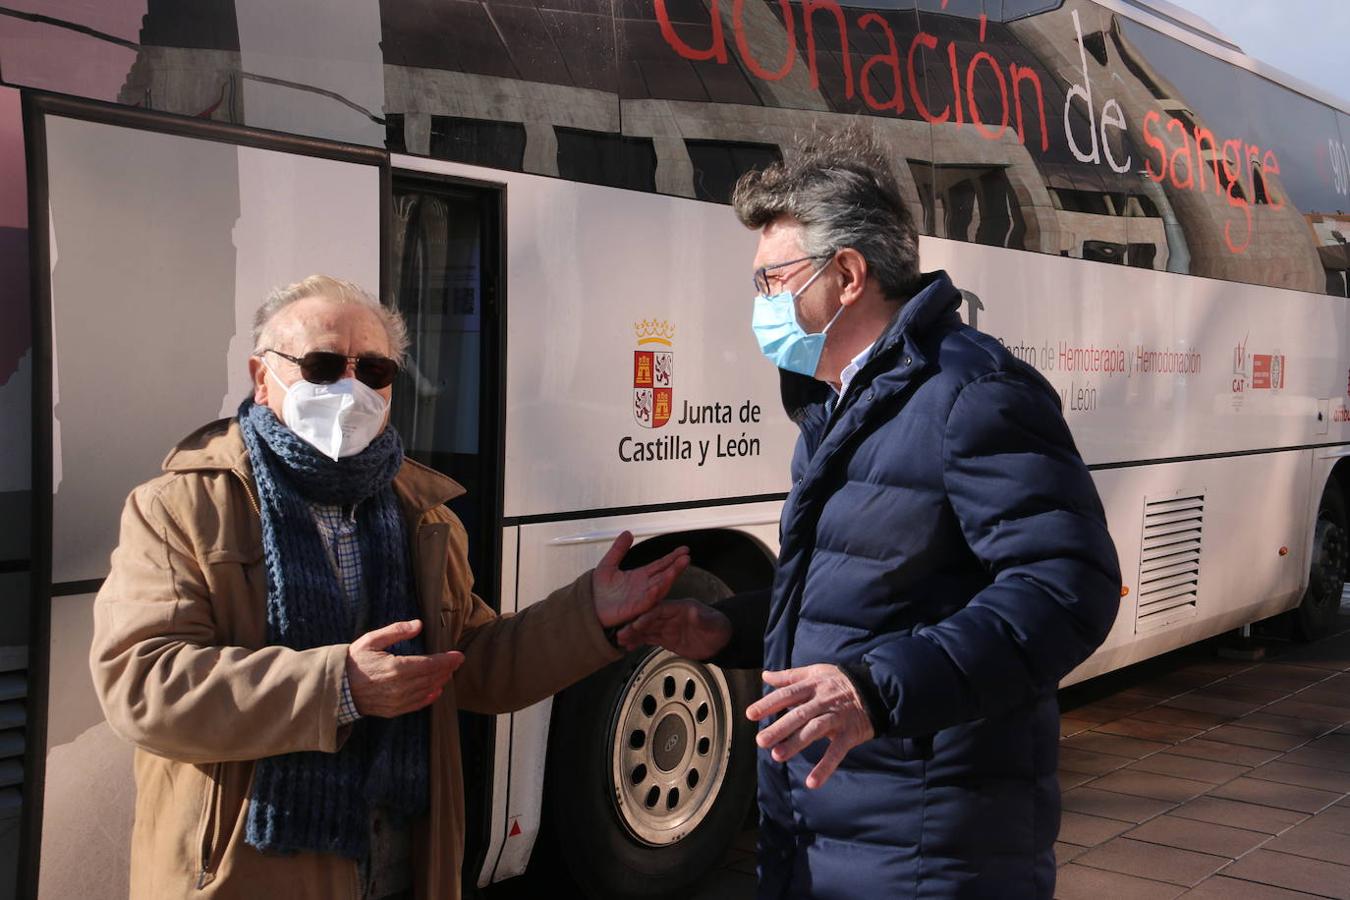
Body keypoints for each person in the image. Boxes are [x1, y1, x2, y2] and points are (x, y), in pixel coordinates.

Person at [618, 129, 1122, 898]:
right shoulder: (840, 404)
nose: (759, 303)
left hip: (928, 848)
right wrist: (726, 627)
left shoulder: (974, 392)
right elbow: (872, 593)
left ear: (847, 274)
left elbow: (1067, 591)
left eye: (771, 280)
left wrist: (874, 693)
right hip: (830, 830)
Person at [90, 275, 689, 900]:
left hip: (401, 854)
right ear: (261, 378)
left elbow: (470, 664)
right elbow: (141, 684)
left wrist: (588, 614)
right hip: (253, 869)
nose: (350, 389)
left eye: (373, 369)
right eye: (322, 366)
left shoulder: (423, 513)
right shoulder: (180, 507)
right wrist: (339, 687)